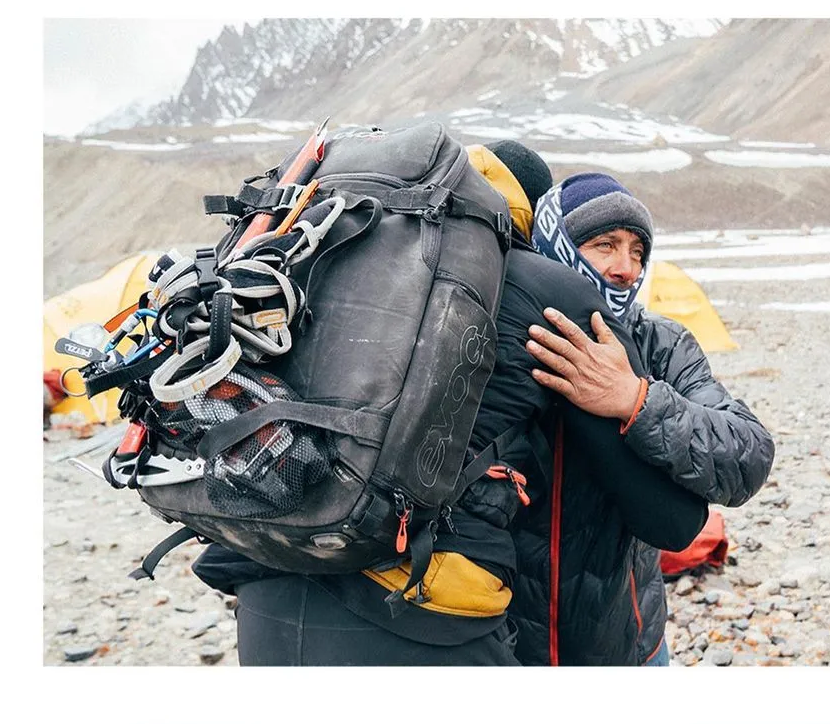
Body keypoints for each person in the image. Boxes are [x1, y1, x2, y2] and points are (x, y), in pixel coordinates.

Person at [193, 144, 706, 664]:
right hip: (421, 608)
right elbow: (671, 522)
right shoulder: (545, 292)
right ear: (536, 220)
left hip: (268, 584)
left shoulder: (335, 265)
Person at [508, 171, 774, 665]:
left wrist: (636, 400)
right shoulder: (505, 342)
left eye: (637, 252)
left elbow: (748, 456)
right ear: (553, 242)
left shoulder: (661, 345)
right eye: (605, 244)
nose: (625, 268)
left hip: (628, 644)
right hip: (505, 651)